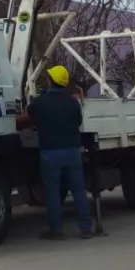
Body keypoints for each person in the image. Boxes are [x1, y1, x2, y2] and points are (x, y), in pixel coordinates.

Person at [25, 64, 94, 240]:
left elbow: (29, 115)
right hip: (72, 152)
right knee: (78, 191)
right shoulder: (73, 103)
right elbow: (78, 121)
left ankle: (56, 231)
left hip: (50, 153)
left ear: (50, 81)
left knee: (53, 192)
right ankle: (86, 229)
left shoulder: (40, 102)